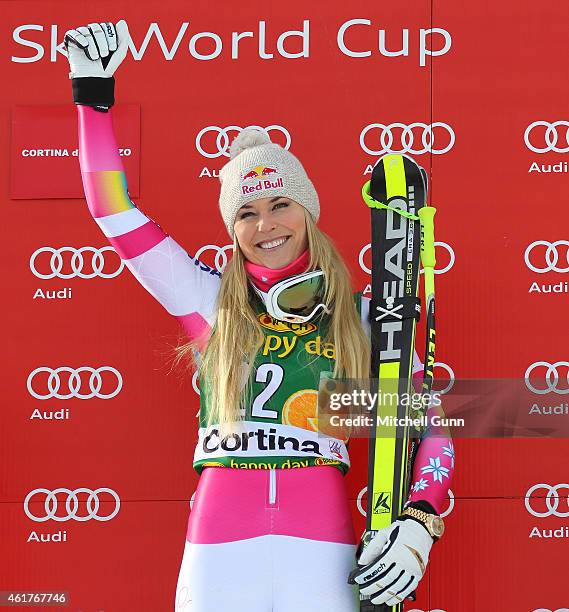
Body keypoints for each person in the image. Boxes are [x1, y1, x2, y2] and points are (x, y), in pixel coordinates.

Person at [63, 20, 455, 612]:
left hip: (320, 544)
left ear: (308, 212)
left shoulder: (366, 316)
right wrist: (93, 99)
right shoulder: (205, 299)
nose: (265, 224)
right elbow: (110, 207)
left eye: (280, 205)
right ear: (232, 227)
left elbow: (431, 427)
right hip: (221, 547)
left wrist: (421, 523)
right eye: (246, 212)